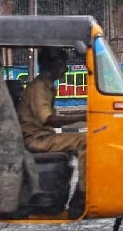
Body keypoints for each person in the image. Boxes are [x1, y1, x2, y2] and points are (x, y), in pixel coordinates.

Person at [18, 47, 88, 217]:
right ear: (53, 65)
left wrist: (83, 116)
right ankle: (82, 194)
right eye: (64, 64)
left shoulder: (47, 86)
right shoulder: (39, 87)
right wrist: (83, 117)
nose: (65, 69)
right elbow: (49, 119)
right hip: (37, 139)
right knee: (87, 140)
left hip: (44, 136)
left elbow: (55, 117)